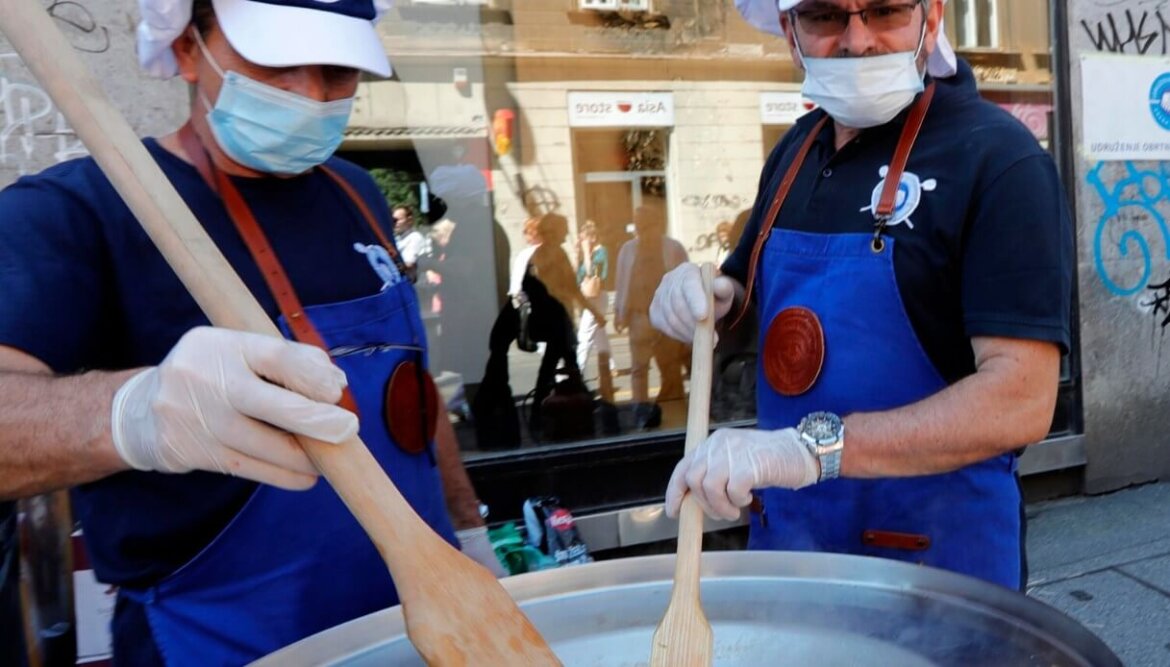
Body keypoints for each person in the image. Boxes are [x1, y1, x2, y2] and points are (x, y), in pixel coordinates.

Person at [0, 0, 504, 664]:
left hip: (423, 626)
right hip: (222, 642)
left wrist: (467, 527)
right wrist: (129, 412)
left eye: (337, 71)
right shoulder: (76, 212)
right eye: (276, 62)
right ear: (186, 47)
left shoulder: (358, 192)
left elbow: (409, 388)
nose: (311, 93)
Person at [650, 0, 1072, 591]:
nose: (857, 40)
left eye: (884, 11)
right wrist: (710, 304)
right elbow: (749, 304)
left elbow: (1020, 399)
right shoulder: (797, 151)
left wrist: (809, 451)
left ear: (933, 17)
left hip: (935, 572)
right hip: (790, 557)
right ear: (789, 33)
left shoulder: (1000, 161)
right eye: (825, 16)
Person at [615, 200, 689, 405]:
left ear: (658, 225)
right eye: (639, 227)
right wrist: (619, 312)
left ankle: (673, 406)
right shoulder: (628, 250)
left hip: (667, 318)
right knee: (639, 367)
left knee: (670, 366)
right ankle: (641, 408)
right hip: (638, 317)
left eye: (646, 226)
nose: (643, 232)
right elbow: (622, 283)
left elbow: (686, 282)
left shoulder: (673, 248)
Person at [574, 220, 613, 395]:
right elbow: (578, 274)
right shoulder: (588, 252)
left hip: (596, 298)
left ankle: (576, 374)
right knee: (599, 334)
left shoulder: (600, 252)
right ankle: (610, 366)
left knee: (584, 336)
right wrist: (579, 253)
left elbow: (591, 274)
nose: (582, 240)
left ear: (592, 237)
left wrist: (585, 252)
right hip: (587, 298)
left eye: (584, 238)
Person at [391, 204, 429, 282]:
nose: (394, 223)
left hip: (416, 286)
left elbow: (409, 264)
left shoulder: (415, 237)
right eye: (393, 220)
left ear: (409, 220)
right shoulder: (397, 239)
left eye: (397, 220)